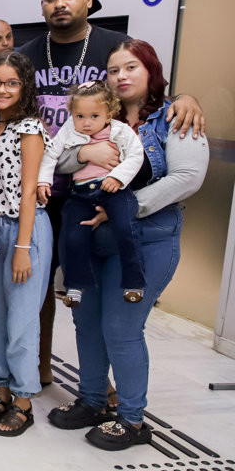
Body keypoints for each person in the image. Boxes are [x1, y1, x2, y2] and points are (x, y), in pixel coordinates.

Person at [15, 0, 203, 387]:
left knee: (107, 294)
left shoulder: (114, 47)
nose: (59, 3)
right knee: (42, 286)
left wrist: (187, 97)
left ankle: (108, 388)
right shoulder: (27, 54)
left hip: (101, 192)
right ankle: (41, 368)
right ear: (42, 4)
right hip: (45, 189)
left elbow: (152, 88)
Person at [49, 40, 208, 450]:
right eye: (114, 69)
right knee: (86, 323)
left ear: (150, 70)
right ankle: (92, 400)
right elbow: (64, 162)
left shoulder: (175, 117)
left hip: (147, 239)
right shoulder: (96, 115)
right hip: (90, 239)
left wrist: (126, 208)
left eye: (131, 67)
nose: (121, 76)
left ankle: (134, 420)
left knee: (121, 328)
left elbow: (187, 177)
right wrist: (86, 149)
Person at [0, 51, 51, 437]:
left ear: (25, 86)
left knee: (20, 321)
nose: (2, 90)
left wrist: (22, 247)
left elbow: (29, 192)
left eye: (11, 83)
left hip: (25, 229)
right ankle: (1, 393)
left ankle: (23, 400)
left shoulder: (30, 128)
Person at [38, 81, 144, 306]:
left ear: (109, 114)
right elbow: (51, 154)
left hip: (113, 191)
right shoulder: (69, 129)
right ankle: (75, 286)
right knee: (73, 238)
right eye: (80, 116)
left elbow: (136, 155)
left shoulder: (120, 131)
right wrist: (43, 181)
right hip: (80, 195)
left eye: (94, 116)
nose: (86, 123)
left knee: (126, 228)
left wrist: (118, 177)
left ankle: (134, 281)